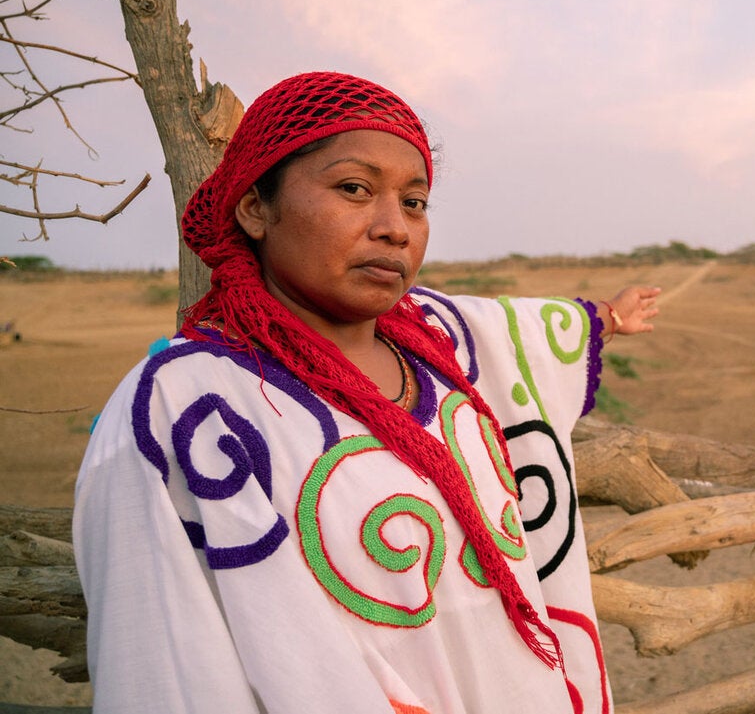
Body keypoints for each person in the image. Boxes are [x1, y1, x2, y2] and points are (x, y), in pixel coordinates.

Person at [73, 71, 659, 714]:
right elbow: (162, 671)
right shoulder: (186, 406)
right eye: (354, 189)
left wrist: (609, 314)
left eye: (414, 202)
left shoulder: (435, 342)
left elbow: (518, 326)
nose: (395, 228)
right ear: (254, 207)